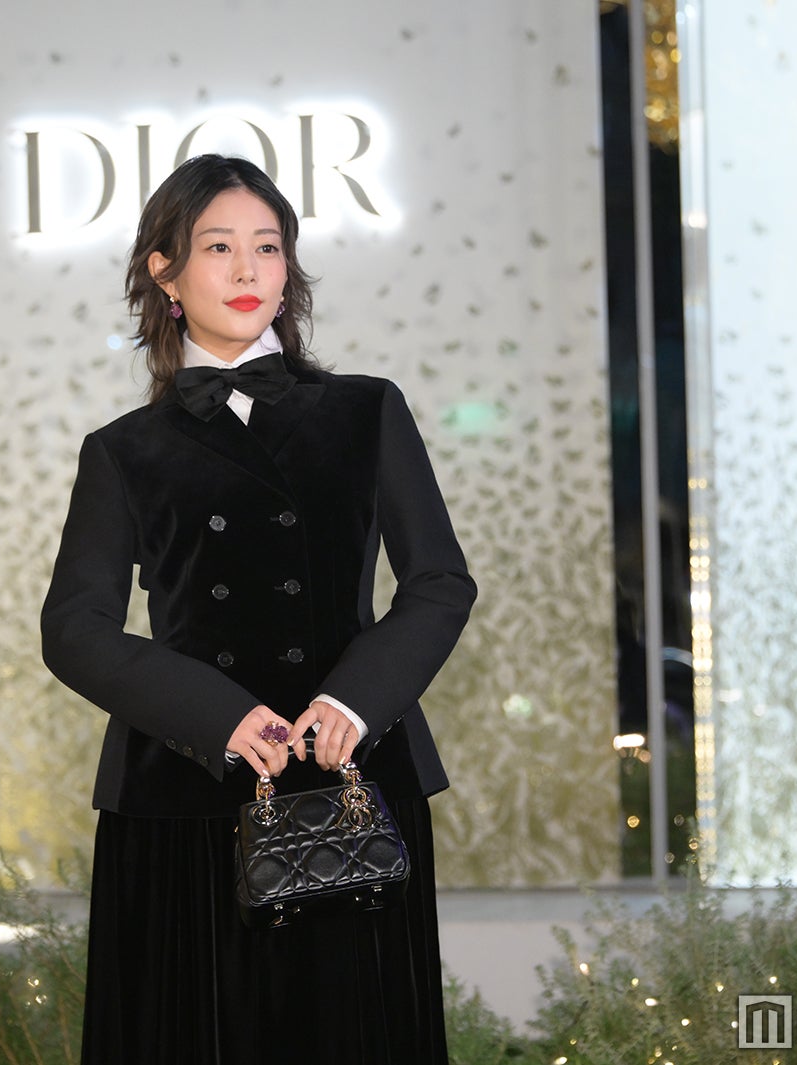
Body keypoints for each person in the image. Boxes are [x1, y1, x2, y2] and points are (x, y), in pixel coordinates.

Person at [40, 154, 477, 1065]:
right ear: (164, 272)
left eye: (267, 247)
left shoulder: (367, 411)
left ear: (289, 270)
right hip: (185, 793)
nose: (247, 270)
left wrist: (354, 700)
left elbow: (439, 581)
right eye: (218, 247)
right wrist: (223, 717)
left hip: (350, 775)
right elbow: (74, 630)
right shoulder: (122, 450)